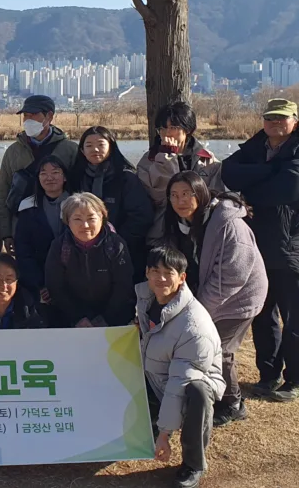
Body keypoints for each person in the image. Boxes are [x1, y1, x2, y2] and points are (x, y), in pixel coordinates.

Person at [221, 98, 299, 403]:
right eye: (270, 118)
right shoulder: (257, 146)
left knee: (294, 317)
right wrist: (272, 170)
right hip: (257, 245)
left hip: (288, 247)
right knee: (262, 314)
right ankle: (269, 374)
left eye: (282, 118)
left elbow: (291, 189)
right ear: (263, 120)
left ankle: (298, 379)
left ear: (295, 119)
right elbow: (229, 172)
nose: (276, 123)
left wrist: (253, 186)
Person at [164, 172, 268, 426]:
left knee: (220, 349)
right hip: (211, 294)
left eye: (187, 194)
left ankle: (233, 404)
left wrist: (197, 310)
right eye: (174, 195)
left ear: (200, 193)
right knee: (203, 346)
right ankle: (212, 395)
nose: (180, 201)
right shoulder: (184, 223)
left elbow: (233, 276)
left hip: (239, 298)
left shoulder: (228, 224)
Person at [138, 247, 225, 488]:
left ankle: (193, 464)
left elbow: (180, 382)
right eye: (155, 271)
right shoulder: (146, 299)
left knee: (196, 392)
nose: (161, 278)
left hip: (189, 381)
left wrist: (164, 434)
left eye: (168, 273)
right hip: (158, 374)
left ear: (182, 277)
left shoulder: (194, 326)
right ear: (146, 272)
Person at [0, 94, 79, 254]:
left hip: (63, 228)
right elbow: (2, 193)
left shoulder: (69, 150)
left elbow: (80, 190)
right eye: (25, 116)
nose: (28, 120)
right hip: (23, 228)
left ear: (49, 116)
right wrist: (6, 233)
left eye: (33, 115)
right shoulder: (14, 151)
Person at [136, 101, 224, 245]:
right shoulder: (149, 159)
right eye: (162, 128)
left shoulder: (206, 159)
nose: (167, 133)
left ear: (187, 129)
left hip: (202, 234)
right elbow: (159, 196)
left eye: (173, 127)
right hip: (163, 234)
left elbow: (215, 196)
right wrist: (167, 158)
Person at [72, 126, 153, 278]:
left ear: (111, 147)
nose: (95, 149)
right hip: (84, 251)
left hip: (122, 252)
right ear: (82, 151)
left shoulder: (126, 178)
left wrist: (114, 242)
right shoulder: (76, 178)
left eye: (101, 144)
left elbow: (141, 217)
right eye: (89, 145)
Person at [45, 193, 135, 328]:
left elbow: (123, 286)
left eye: (91, 218)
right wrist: (77, 318)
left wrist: (104, 319)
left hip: (112, 319)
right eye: (77, 219)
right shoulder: (59, 247)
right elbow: (56, 287)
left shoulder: (116, 245)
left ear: (102, 218)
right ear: (67, 221)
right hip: (72, 318)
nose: (85, 225)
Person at [13, 155, 70, 294]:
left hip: (74, 279)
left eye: (55, 172)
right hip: (39, 280)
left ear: (65, 177)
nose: (49, 177)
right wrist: (39, 285)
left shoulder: (78, 204)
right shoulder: (27, 206)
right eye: (43, 173)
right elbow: (23, 250)